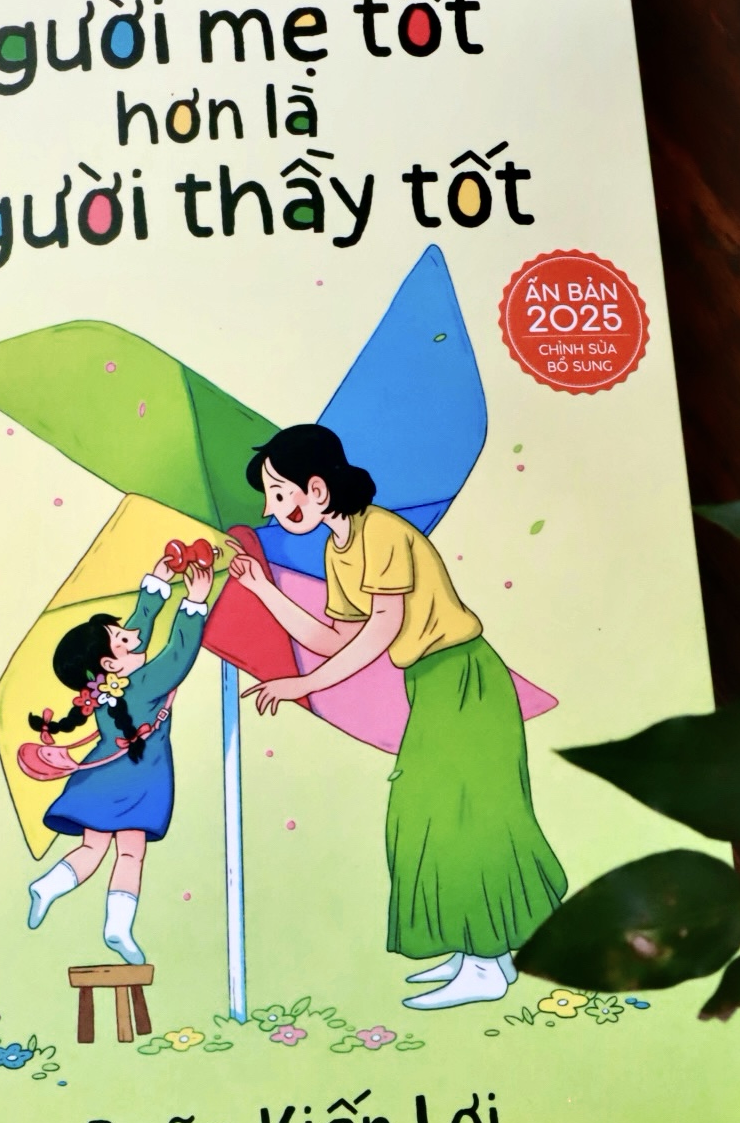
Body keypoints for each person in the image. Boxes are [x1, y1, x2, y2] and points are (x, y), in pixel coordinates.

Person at [230, 425, 566, 1011]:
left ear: (317, 488)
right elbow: (333, 638)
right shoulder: (338, 549)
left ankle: (486, 962)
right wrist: (262, 589)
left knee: (458, 817)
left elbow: (381, 631)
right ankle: (479, 953)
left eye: (279, 495)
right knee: (427, 816)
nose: (269, 510)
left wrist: (303, 685)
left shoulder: (381, 531)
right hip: (431, 686)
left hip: (464, 677)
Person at [23, 544, 212, 964]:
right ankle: (117, 928)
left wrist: (159, 583)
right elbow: (178, 655)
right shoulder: (144, 684)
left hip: (100, 776)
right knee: (130, 853)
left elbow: (136, 632)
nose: (133, 634)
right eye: (121, 638)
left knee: (93, 849)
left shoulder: (109, 684)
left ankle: (48, 886)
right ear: (110, 662)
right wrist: (194, 603)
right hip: (140, 777)